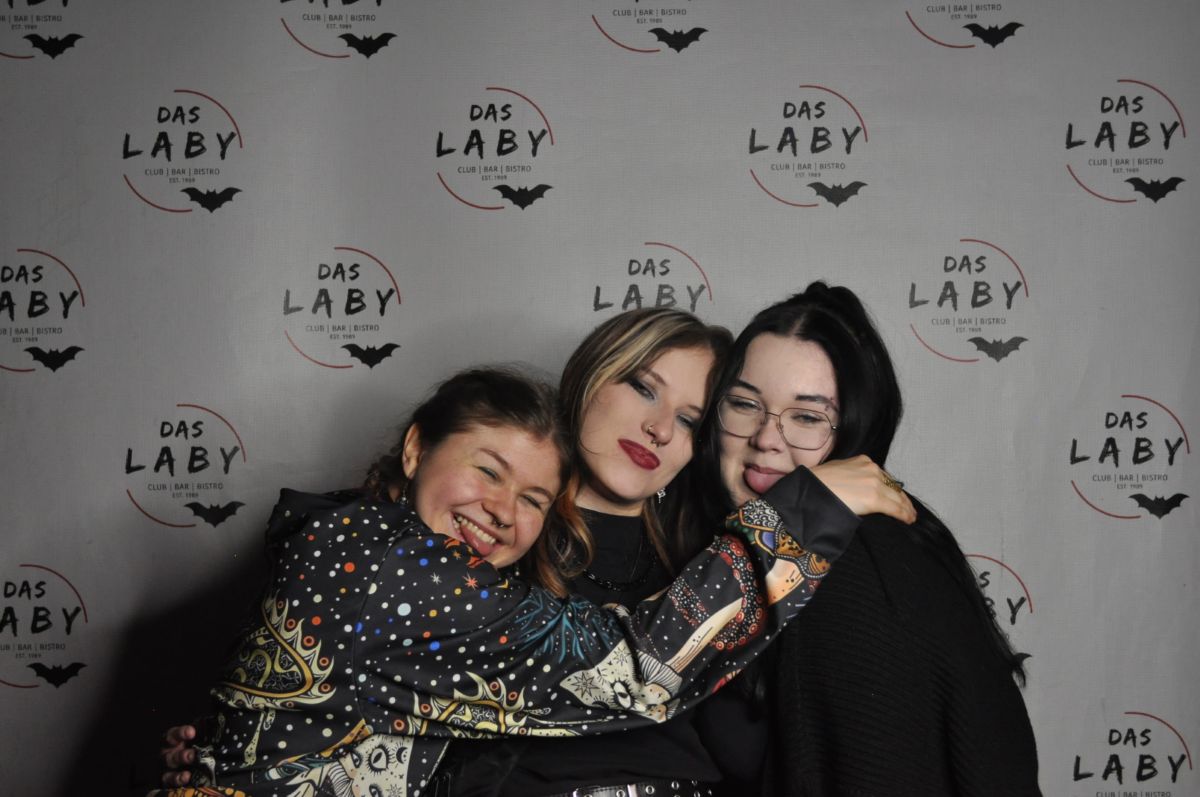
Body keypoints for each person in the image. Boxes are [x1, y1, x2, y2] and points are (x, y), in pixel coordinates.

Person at [152, 361, 891, 797]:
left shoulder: (353, 542)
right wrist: (808, 512)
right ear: (416, 449)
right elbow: (635, 667)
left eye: (535, 498)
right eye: (487, 470)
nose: (503, 511)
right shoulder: (381, 562)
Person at [682, 282, 1040, 796]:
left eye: (808, 417)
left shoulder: (851, 565)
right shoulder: (759, 557)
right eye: (744, 404)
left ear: (855, 432)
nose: (765, 438)